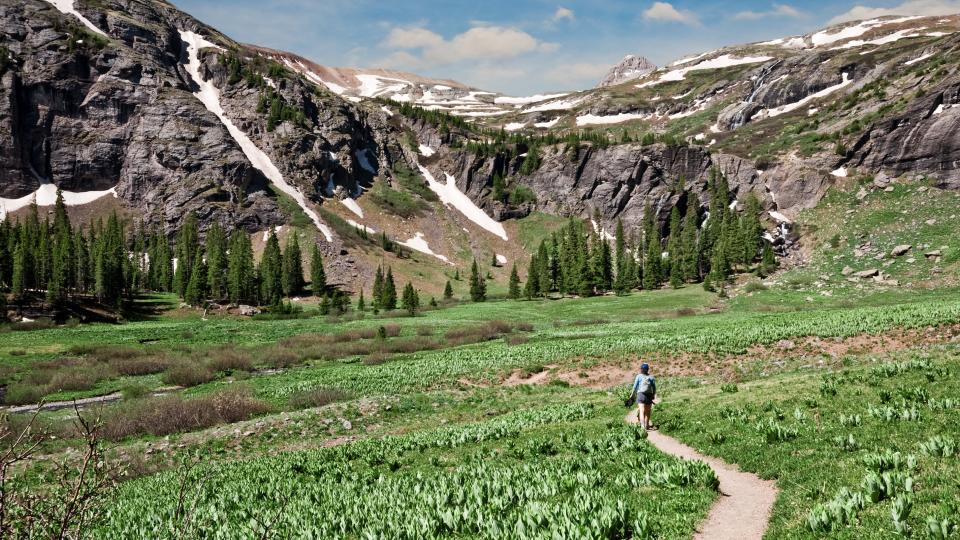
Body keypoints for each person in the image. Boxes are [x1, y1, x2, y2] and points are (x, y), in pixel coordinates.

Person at [630, 363, 656, 430]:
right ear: (647, 369)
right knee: (648, 411)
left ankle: (642, 426)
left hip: (641, 394)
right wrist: (653, 395)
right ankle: (647, 424)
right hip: (649, 395)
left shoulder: (639, 376)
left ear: (641, 369)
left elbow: (635, 387)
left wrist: (632, 395)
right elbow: (654, 388)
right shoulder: (651, 377)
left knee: (642, 411)